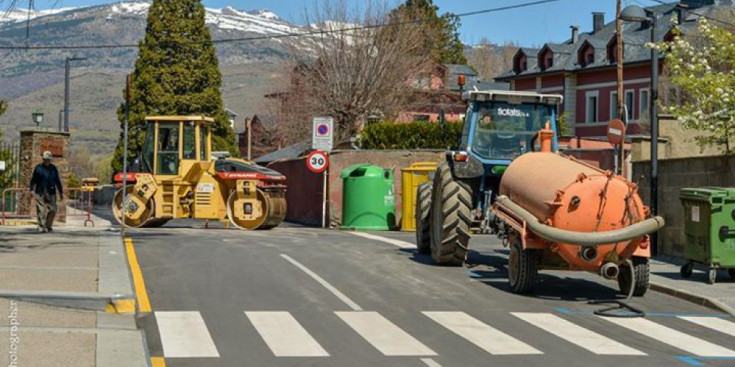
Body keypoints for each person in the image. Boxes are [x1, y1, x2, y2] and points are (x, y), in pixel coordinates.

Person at [29, 151, 63, 233]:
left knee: (53, 209)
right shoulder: (38, 168)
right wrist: (31, 189)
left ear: (50, 160)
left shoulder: (53, 169)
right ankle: (41, 226)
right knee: (41, 210)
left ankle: (48, 225)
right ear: (43, 159)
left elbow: (57, 180)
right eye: (45, 159)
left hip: (51, 192)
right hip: (40, 191)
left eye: (48, 159)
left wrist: (60, 192)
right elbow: (33, 180)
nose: (47, 161)